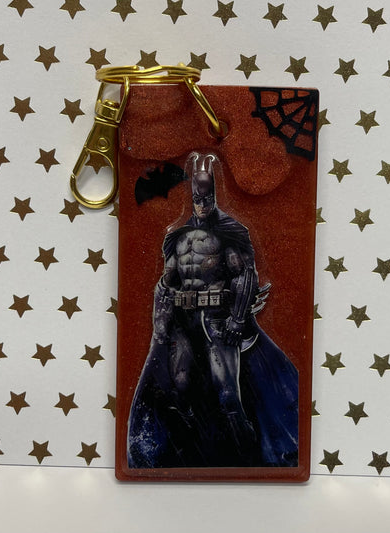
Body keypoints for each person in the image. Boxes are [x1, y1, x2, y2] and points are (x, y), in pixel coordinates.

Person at [128, 152, 299, 468]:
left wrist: (238, 318)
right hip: (183, 322)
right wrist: (161, 323)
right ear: (192, 195)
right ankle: (187, 456)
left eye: (207, 197)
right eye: (198, 197)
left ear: (214, 194)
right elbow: (167, 281)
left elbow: (245, 275)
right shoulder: (176, 237)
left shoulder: (229, 232)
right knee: (178, 392)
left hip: (218, 321)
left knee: (228, 396)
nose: (202, 202)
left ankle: (250, 460)